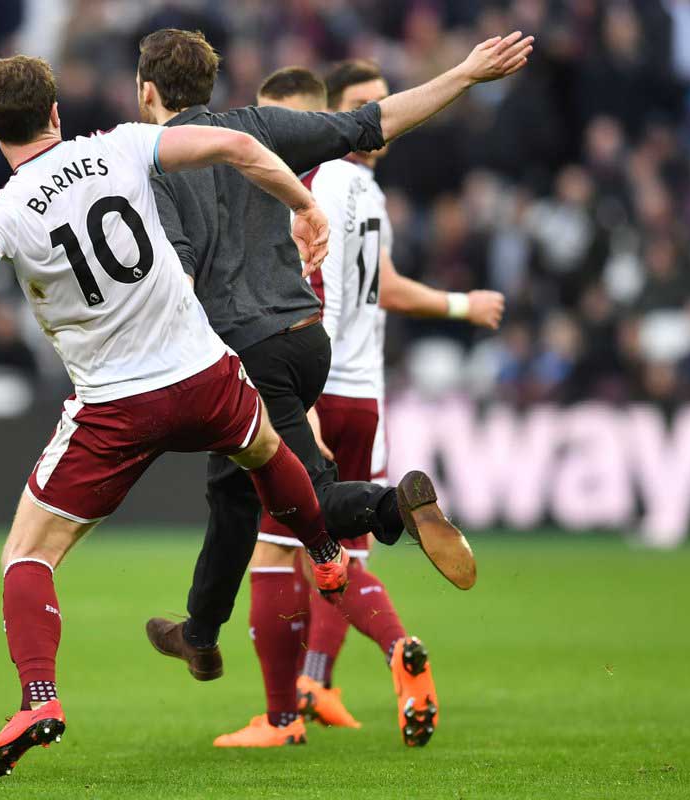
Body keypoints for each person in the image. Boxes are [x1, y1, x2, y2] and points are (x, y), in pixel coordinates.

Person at [0, 54, 350, 779]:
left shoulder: (0, 212)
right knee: (264, 449)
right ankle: (325, 553)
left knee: (27, 555)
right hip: (200, 373)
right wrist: (304, 206)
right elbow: (239, 146)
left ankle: (39, 699)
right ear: (56, 110)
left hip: (115, 407)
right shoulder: (119, 145)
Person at [136, 28, 531, 737]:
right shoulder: (255, 129)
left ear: (147, 94)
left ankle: (388, 509)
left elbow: (182, 275)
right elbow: (370, 123)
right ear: (214, 84)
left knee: (303, 500)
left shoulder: (160, 165)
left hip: (248, 354)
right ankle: (199, 634)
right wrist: (464, 74)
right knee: (231, 490)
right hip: (307, 341)